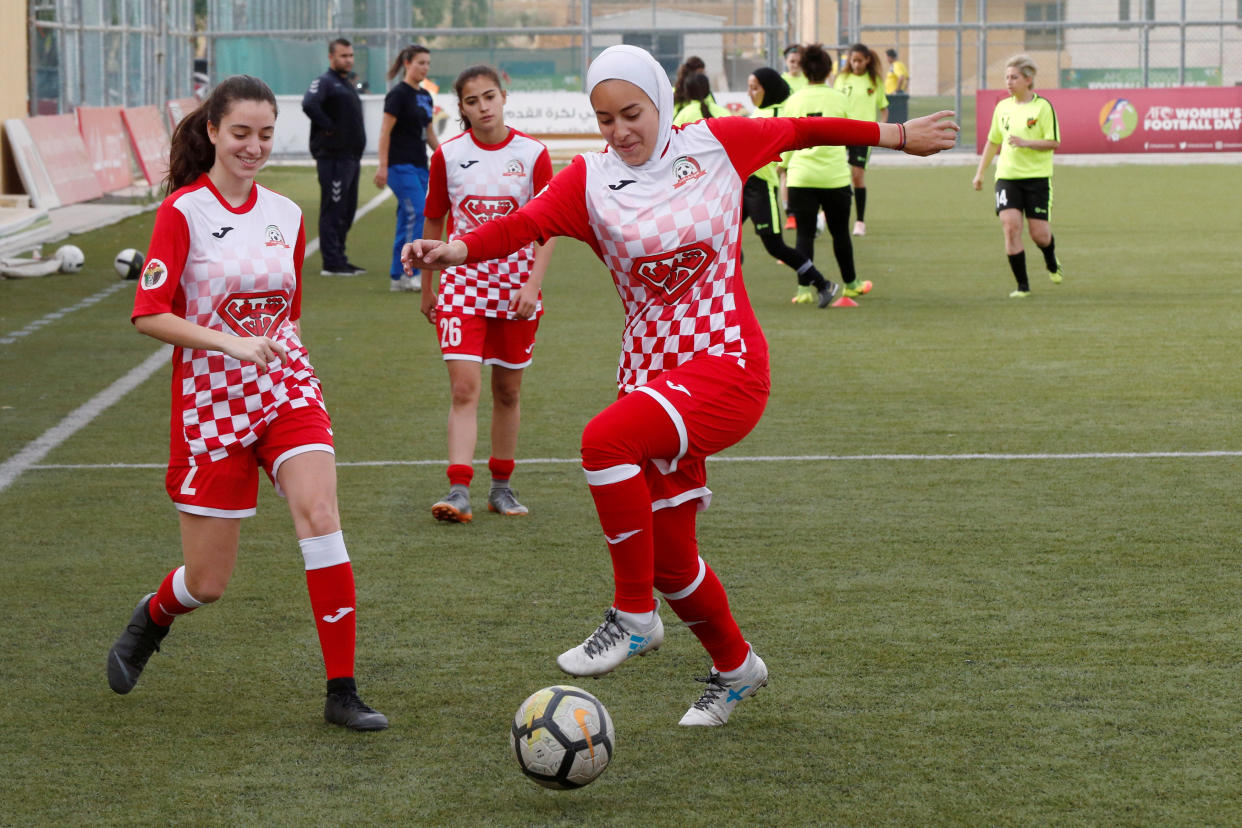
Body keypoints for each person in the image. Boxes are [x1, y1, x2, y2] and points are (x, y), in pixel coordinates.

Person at [403, 45, 957, 726]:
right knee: (672, 560)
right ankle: (736, 668)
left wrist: (899, 136)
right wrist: (452, 249)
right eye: (604, 119)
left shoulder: (717, 143)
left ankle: (634, 616)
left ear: (660, 101)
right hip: (650, 380)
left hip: (727, 365)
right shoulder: (589, 181)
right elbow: (524, 224)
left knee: (603, 442)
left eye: (631, 113)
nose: (620, 130)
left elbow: (805, 129)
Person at [106, 75, 387, 732]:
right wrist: (228, 344)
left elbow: (286, 315)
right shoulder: (182, 213)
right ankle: (152, 617)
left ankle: (341, 690)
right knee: (206, 583)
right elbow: (148, 314)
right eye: (240, 133)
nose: (254, 146)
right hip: (211, 404)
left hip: (285, 388)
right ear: (211, 132)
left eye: (265, 134)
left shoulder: (288, 214)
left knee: (320, 513)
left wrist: (266, 355)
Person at [421, 65, 556, 523]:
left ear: (503, 96)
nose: (483, 107)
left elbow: (547, 226)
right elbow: (435, 220)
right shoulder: (448, 155)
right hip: (462, 288)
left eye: (489, 97)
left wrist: (533, 284)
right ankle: (458, 489)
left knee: (507, 390)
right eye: (472, 101)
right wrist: (428, 286)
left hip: (516, 290)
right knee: (464, 388)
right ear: (460, 107)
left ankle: (502, 486)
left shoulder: (533, 153)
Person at [743, 67, 842, 308]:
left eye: (755, 88)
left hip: (760, 187)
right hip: (742, 184)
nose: (750, 92)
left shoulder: (776, 114)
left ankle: (823, 284)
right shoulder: (759, 111)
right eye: (749, 87)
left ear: (770, 89)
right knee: (720, 236)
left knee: (775, 246)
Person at [783, 44, 875, 302]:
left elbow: (786, 140)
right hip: (834, 177)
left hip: (801, 177)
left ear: (803, 70)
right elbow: (854, 132)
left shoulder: (794, 100)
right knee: (840, 233)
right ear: (828, 71)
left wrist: (786, 165)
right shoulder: (839, 99)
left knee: (804, 233)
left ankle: (803, 291)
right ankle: (851, 283)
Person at [972, 54, 1064, 298]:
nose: (1009, 82)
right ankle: (1022, 286)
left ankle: (1050, 259)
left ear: (1028, 79)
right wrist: (980, 173)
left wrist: (1026, 142)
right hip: (1007, 177)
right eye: (1007, 77)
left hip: (1037, 179)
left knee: (1040, 235)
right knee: (1011, 227)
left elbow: (1053, 142)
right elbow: (993, 142)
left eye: (1014, 77)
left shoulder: (1043, 107)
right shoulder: (1002, 108)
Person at [376, 44, 440, 293]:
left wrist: (447, 157)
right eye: (420, 62)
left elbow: (430, 134)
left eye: (427, 63)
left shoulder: (425, 96)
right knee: (419, 213)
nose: (424, 67)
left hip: (419, 166)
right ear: (407, 63)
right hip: (399, 166)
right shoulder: (398, 94)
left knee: (407, 218)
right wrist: (382, 166)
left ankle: (398, 277)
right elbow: (385, 132)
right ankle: (410, 273)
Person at [302, 38, 367, 276]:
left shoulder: (345, 83)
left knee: (347, 210)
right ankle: (331, 262)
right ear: (331, 57)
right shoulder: (325, 82)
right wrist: (329, 127)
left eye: (350, 55)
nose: (348, 60)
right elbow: (309, 104)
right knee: (334, 209)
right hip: (333, 158)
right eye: (343, 56)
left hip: (350, 158)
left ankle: (340, 257)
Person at [834, 43, 889, 236]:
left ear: (867, 60)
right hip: (841, 131)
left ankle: (859, 221)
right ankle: (827, 214)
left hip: (863, 134)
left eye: (859, 60)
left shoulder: (874, 82)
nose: (856, 64)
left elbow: (884, 109)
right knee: (836, 174)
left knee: (857, 177)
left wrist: (881, 129)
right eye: (853, 60)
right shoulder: (842, 79)